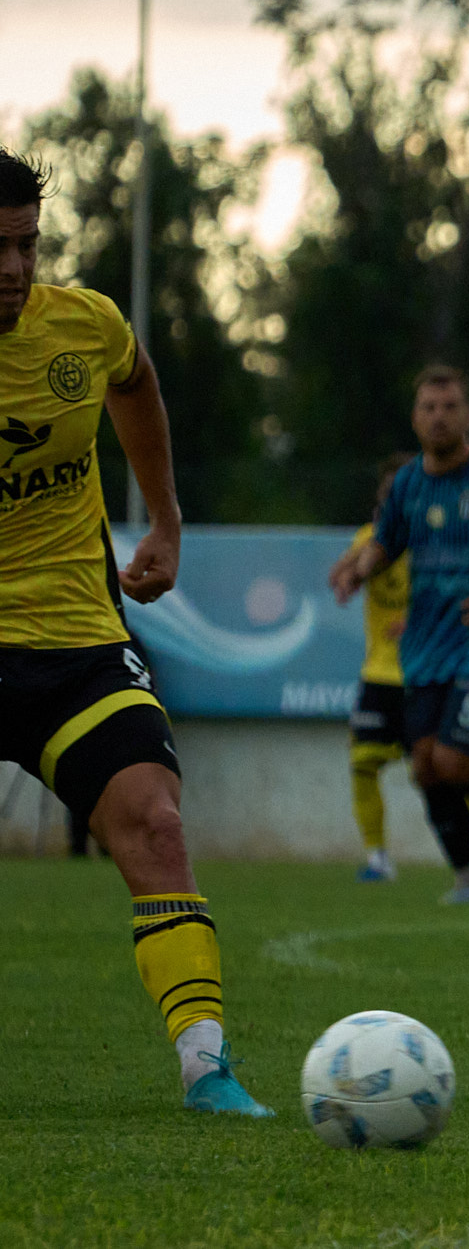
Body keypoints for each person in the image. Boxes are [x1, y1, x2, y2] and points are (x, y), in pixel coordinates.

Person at [0, 147, 269, 1114]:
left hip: (76, 639)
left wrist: (165, 517)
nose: (13, 269)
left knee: (155, 823)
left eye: (27, 245)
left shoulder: (84, 325)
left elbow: (136, 381)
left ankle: (207, 1068)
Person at [329, 365, 469, 905]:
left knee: (454, 760)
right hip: (424, 645)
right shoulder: (408, 484)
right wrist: (359, 570)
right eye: (429, 408)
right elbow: (387, 540)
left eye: (450, 406)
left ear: (468, 416)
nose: (439, 417)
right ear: (415, 419)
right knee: (426, 766)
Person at [341, 455, 411, 882]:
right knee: (363, 762)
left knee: (442, 771)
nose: (393, 499)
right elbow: (345, 575)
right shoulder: (369, 539)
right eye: (388, 492)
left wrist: (420, 618)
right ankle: (378, 857)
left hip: (423, 673)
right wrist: (350, 573)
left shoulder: (434, 544)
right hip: (378, 673)